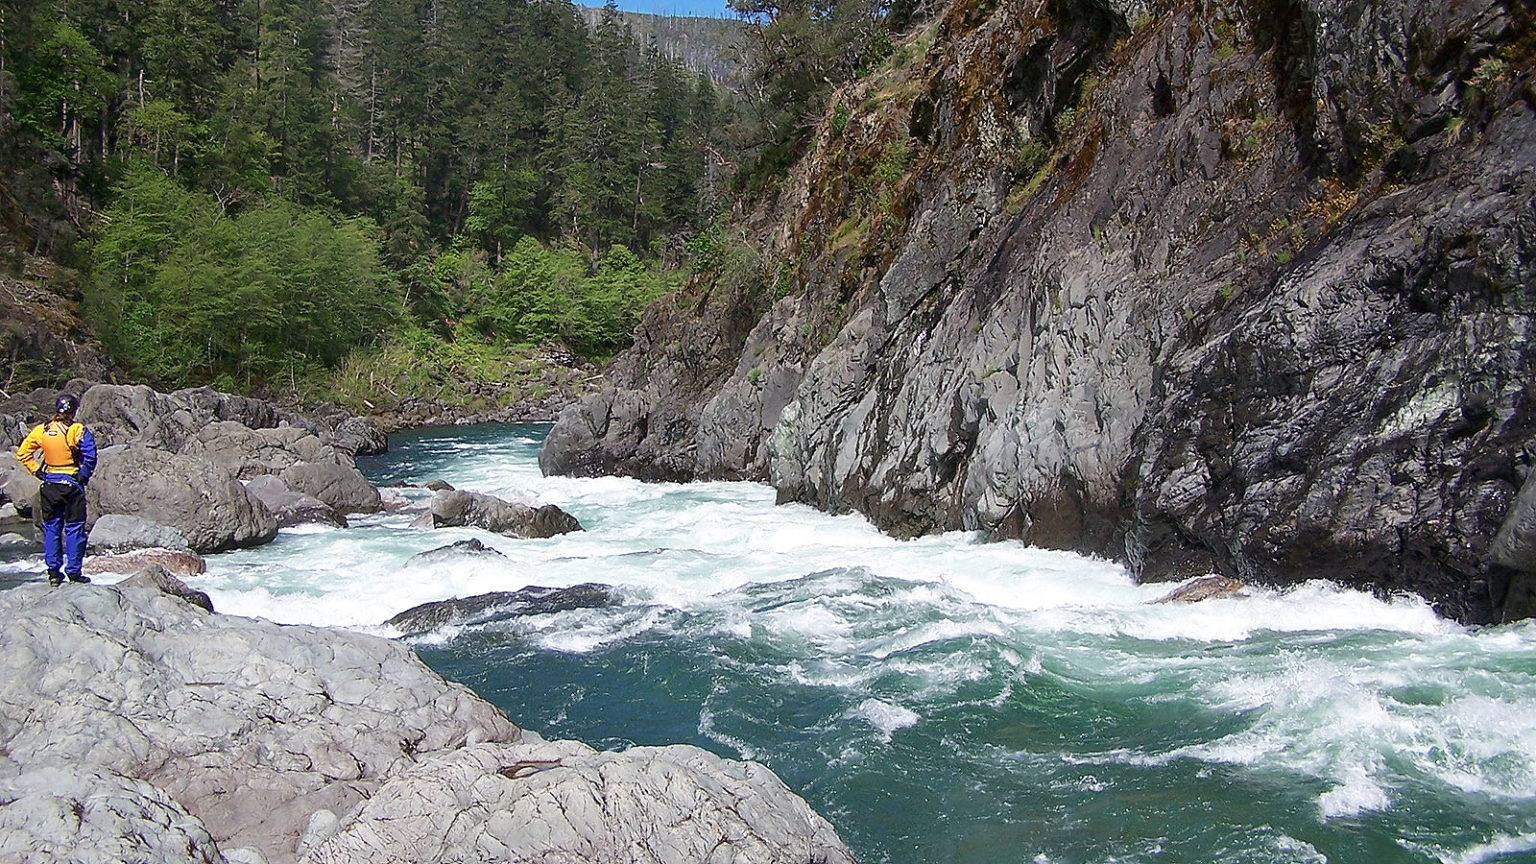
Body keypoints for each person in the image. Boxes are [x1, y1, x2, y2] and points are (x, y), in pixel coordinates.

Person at [15, 392, 98, 586]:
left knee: (52, 529)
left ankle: (53, 572)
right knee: (75, 529)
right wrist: (83, 475)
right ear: (73, 411)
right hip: (71, 485)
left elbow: (22, 453)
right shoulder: (77, 430)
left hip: (50, 485)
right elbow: (90, 456)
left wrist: (37, 472)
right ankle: (74, 572)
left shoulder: (42, 430)